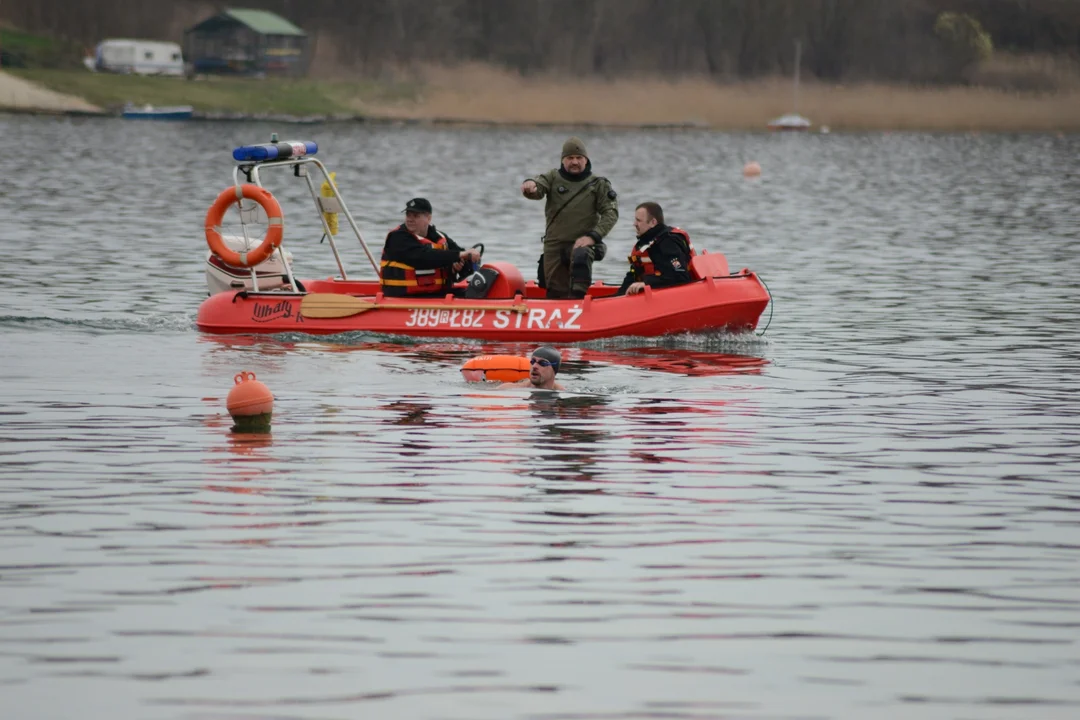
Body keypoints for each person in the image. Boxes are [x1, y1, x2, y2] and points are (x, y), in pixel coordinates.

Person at [521, 137, 619, 299]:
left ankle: (579, 301)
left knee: (581, 256)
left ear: (586, 160)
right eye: (570, 158)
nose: (574, 162)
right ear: (563, 160)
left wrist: (593, 236)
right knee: (555, 292)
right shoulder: (553, 177)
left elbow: (611, 213)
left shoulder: (598, 184)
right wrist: (529, 186)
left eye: (579, 158)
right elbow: (538, 187)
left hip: (585, 245)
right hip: (555, 246)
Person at [380, 198, 481, 298]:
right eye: (408, 215)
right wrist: (458, 255)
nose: (410, 219)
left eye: (415, 216)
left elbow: (460, 254)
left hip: (436, 293)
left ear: (428, 218)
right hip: (405, 297)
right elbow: (424, 257)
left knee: (478, 292)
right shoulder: (397, 238)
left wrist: (458, 266)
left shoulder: (440, 236)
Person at [616, 202, 695, 296]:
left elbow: (680, 277)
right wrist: (617, 297)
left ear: (653, 222)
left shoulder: (668, 242)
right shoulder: (645, 244)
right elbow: (633, 274)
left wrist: (646, 283)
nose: (634, 224)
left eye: (638, 220)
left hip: (681, 294)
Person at [499, 347, 565, 391]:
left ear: (554, 369)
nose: (534, 366)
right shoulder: (509, 389)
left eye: (542, 363)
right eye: (533, 361)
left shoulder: (562, 392)